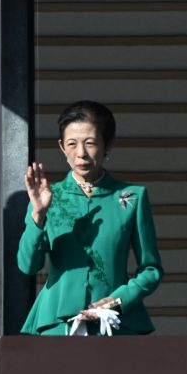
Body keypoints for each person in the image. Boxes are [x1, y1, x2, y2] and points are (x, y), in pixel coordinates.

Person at [17, 100, 163, 335]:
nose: (81, 153)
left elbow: (151, 269)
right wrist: (38, 214)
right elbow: (28, 266)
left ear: (108, 144)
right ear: (62, 147)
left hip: (114, 323)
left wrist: (117, 301)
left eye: (90, 143)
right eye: (72, 144)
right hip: (56, 323)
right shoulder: (46, 196)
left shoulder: (133, 197)